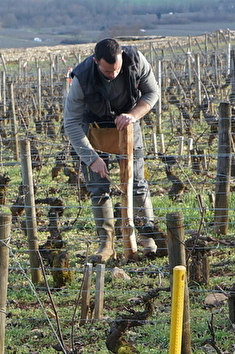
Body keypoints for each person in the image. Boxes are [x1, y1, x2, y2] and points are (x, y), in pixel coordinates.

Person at [63, 38, 168, 262]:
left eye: (117, 69)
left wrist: (133, 115)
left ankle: (147, 239)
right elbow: (71, 122)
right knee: (99, 188)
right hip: (94, 130)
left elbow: (152, 93)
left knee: (138, 183)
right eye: (108, 71)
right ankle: (106, 246)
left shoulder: (136, 61)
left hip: (128, 126)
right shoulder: (82, 78)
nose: (113, 74)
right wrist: (91, 159)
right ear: (95, 62)